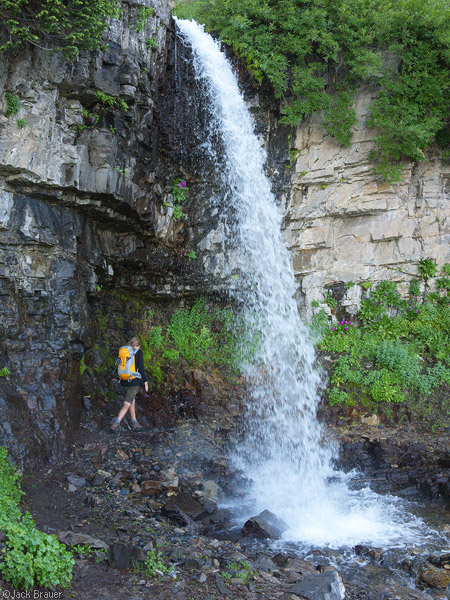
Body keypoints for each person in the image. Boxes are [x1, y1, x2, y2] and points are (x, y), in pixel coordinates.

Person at [110, 336, 148, 432]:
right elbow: (141, 368)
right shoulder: (138, 352)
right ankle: (116, 424)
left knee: (132, 400)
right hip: (133, 380)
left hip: (124, 380)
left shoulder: (124, 352)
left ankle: (134, 422)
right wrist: (145, 381)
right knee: (126, 403)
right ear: (138, 345)